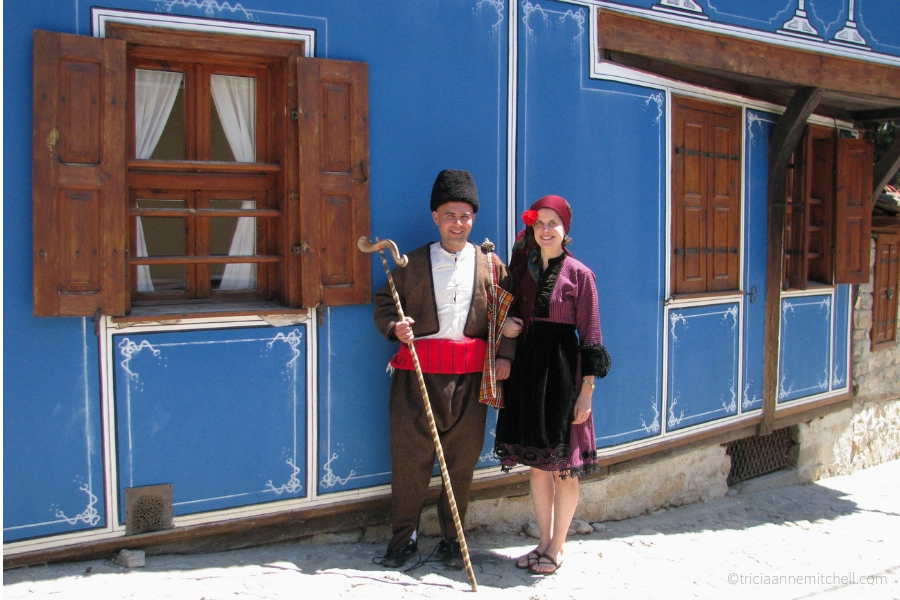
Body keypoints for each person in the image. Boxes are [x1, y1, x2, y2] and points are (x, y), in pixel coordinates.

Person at [373, 169, 516, 569]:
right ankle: (404, 540)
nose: (458, 223)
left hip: (470, 381)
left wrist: (505, 355)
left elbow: (509, 313)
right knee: (410, 461)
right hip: (417, 379)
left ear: (474, 219)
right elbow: (385, 305)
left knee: (461, 463)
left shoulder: (490, 264)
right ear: (435, 216)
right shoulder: (411, 263)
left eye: (466, 215)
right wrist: (394, 327)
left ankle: (454, 540)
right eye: (450, 214)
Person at [494, 194, 610, 576]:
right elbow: (509, 311)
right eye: (539, 223)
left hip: (562, 374)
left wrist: (587, 392)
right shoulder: (523, 273)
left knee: (563, 467)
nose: (545, 230)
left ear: (565, 230)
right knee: (538, 465)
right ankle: (542, 540)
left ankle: (557, 547)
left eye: (552, 223)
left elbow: (591, 335)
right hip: (529, 373)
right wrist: (509, 327)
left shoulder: (581, 275)